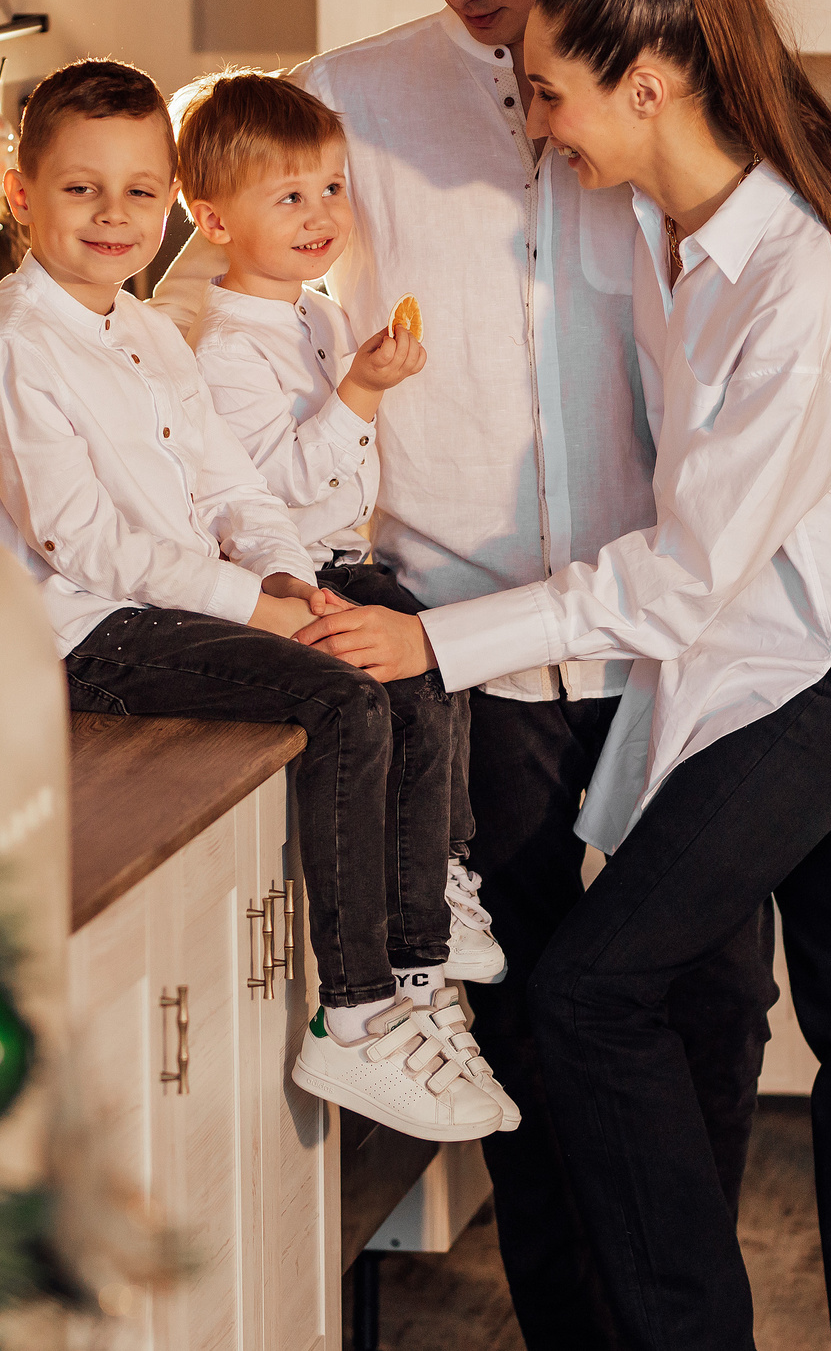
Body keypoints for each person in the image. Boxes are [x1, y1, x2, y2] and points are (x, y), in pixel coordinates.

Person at [155, 0, 831, 1349]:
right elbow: (199, 330)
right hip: (468, 638)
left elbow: (823, 290)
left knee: (708, 1008)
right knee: (529, 1016)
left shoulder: (668, 106)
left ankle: (675, 1302)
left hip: (685, 644)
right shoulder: (343, 105)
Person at [0, 56, 514, 1144]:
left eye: (138, 190)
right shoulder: (13, 348)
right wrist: (253, 609)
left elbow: (227, 485)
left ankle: (416, 954)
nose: (115, 216)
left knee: (382, 649)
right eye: (80, 188)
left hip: (160, 607)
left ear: (168, 202)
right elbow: (86, 543)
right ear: (19, 193)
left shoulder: (149, 328)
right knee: (341, 702)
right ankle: (358, 1015)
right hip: (67, 637)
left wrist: (288, 575)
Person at [172, 68, 502, 985]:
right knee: (418, 684)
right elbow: (269, 490)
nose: (321, 212)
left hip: (350, 553)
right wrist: (361, 390)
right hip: (305, 570)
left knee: (442, 664)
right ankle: (421, 909)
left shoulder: (315, 310)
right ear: (215, 222)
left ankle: (446, 867)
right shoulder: (227, 351)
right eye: (289, 196)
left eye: (329, 188)